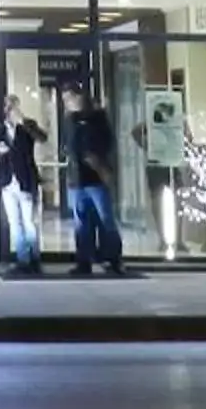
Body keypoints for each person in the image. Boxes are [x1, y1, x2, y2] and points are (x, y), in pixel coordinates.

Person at [66, 90, 127, 276]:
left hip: (95, 178)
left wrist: (100, 165)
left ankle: (112, 259)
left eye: (71, 99)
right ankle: (85, 260)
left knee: (105, 219)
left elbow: (104, 145)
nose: (68, 103)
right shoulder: (71, 121)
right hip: (78, 179)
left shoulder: (98, 121)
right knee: (82, 223)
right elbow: (70, 147)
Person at [0, 97, 46, 274]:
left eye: (12, 106)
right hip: (7, 183)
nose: (9, 109)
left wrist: (23, 120)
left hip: (25, 180)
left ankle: (34, 258)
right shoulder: (0, 129)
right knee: (14, 223)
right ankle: (22, 259)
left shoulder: (27, 126)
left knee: (29, 222)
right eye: (7, 106)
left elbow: (42, 137)